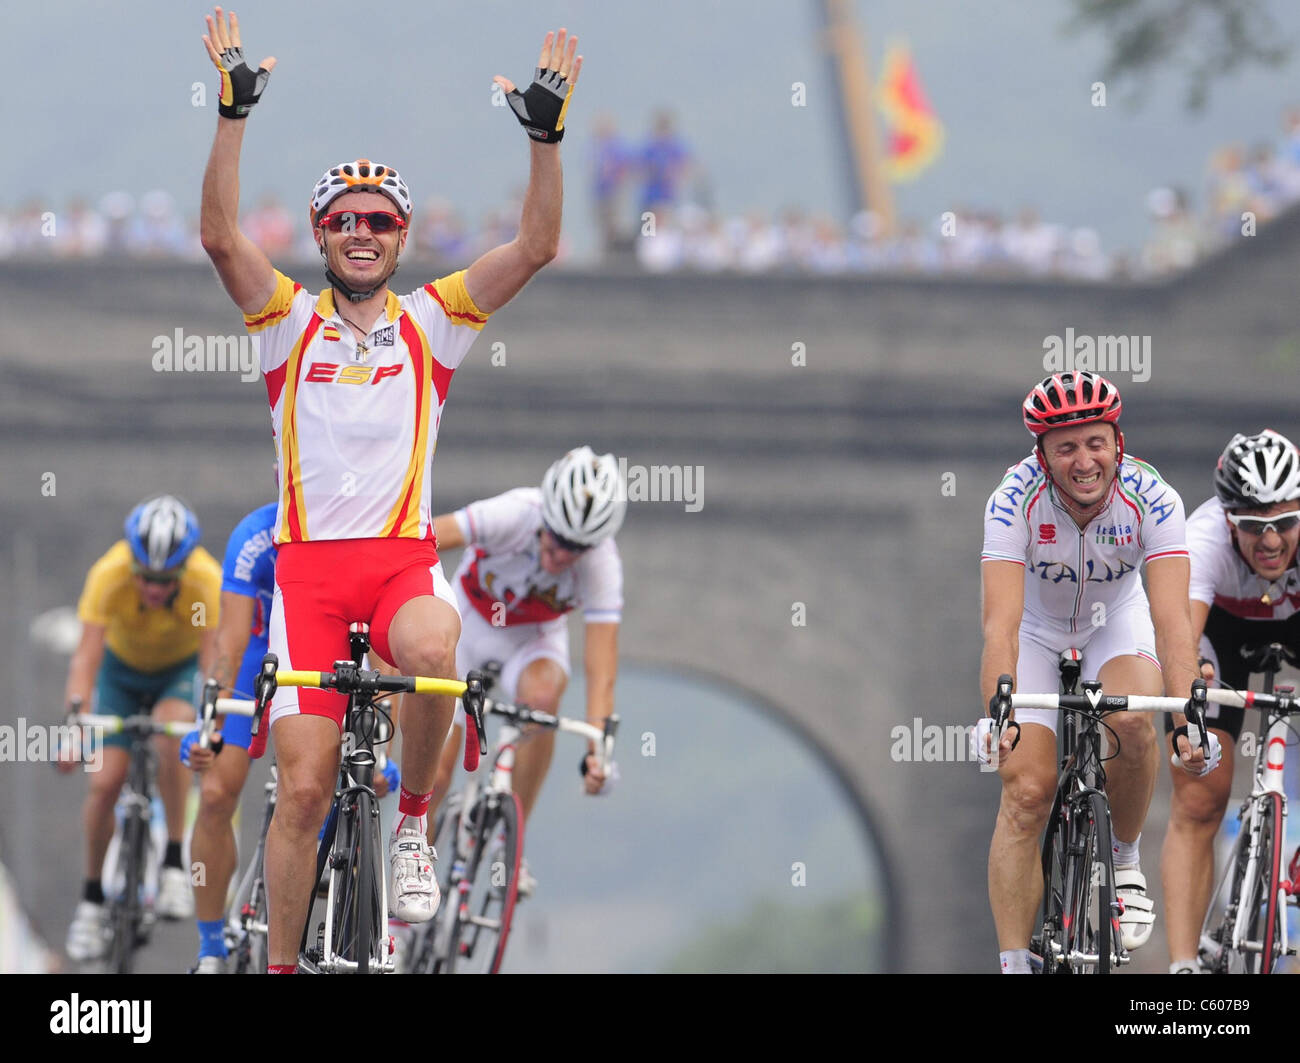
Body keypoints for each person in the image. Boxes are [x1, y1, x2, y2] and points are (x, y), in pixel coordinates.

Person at [198, 7, 580, 973]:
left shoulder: (433, 321)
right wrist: (233, 114)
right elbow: (216, 236)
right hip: (310, 579)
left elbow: (535, 247)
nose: (361, 234)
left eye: (380, 222)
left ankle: (413, 825)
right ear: (322, 237)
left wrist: (545, 139)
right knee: (305, 786)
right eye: (342, 222)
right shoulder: (286, 322)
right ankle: (281, 963)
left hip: (400, 564)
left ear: (403, 238)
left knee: (436, 644)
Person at [976, 371, 1213, 974]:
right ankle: (1012, 959)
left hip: (1117, 621)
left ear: (1118, 441)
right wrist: (998, 716)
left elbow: (1172, 624)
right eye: (1066, 447)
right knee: (1027, 793)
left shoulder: (1154, 499)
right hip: (1034, 630)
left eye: (1096, 443)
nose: (1084, 461)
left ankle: (1126, 862)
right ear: (1042, 455)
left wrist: (1190, 715)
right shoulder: (1012, 499)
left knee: (1133, 720)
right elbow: (1000, 626)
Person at [427, 448, 626, 887]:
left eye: (576, 550)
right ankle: (403, 901)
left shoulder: (602, 565)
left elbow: (601, 667)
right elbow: (425, 538)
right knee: (438, 771)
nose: (559, 557)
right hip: (465, 623)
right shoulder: (515, 512)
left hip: (532, 641)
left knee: (542, 701)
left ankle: (510, 843)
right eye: (555, 541)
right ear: (545, 519)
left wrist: (599, 751)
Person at [1160, 429, 1300, 973]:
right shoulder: (1202, 540)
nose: (1269, 542)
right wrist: (1185, 728)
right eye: (1252, 527)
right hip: (1221, 635)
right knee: (1199, 796)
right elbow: (1178, 648)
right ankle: (1183, 965)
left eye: (1285, 524)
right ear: (1228, 521)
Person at [60, 496, 220, 962]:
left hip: (177, 673)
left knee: (174, 735)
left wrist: (208, 724)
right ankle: (90, 900)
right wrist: (76, 726)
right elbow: (86, 658)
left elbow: (211, 663)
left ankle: (173, 859)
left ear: (182, 570)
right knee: (105, 782)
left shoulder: (205, 581)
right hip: (119, 675)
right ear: (132, 564)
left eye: (165, 580)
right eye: (146, 578)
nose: (153, 588)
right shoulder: (108, 573)